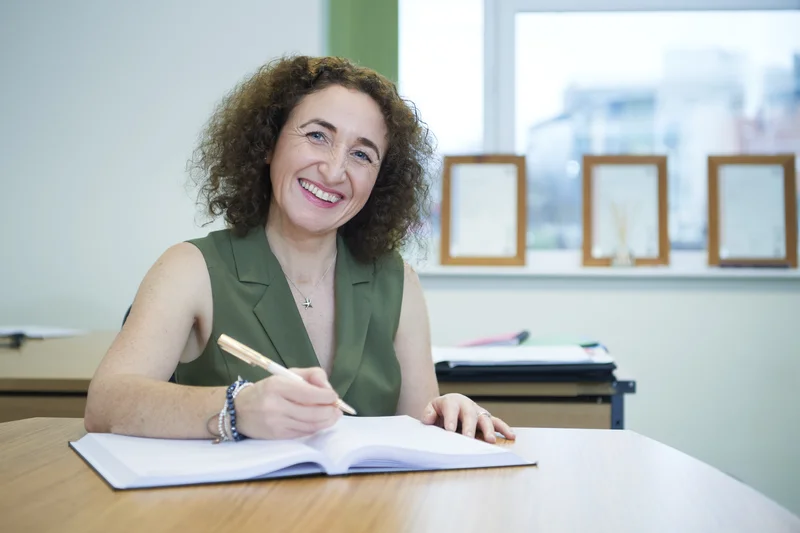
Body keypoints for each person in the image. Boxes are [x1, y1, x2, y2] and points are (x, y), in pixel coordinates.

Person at [84, 55, 515, 444]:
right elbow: (106, 403)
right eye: (317, 136)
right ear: (268, 144)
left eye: (362, 155)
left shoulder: (397, 281)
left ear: (379, 182)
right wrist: (236, 408)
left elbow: (416, 432)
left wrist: (449, 412)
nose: (333, 170)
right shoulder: (190, 267)